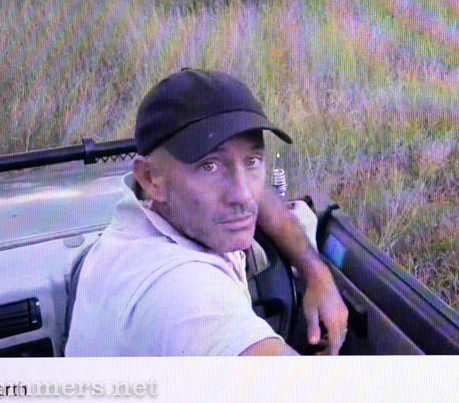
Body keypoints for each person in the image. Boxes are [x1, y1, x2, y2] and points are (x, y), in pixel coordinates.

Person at [65, 68, 348, 356]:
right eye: (209, 166)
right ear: (150, 178)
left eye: (251, 161)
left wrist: (315, 272)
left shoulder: (142, 213)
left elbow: (256, 194)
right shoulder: (181, 293)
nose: (243, 194)